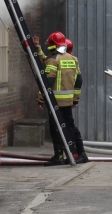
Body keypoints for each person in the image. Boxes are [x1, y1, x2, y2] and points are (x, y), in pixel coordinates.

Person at [34, 32, 88, 166]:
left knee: (55, 129)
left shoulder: (54, 59)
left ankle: (58, 155)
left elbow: (48, 81)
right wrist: (75, 99)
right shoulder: (73, 59)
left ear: (53, 45)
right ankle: (80, 154)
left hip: (55, 102)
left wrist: (40, 99)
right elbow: (79, 81)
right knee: (70, 127)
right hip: (68, 101)